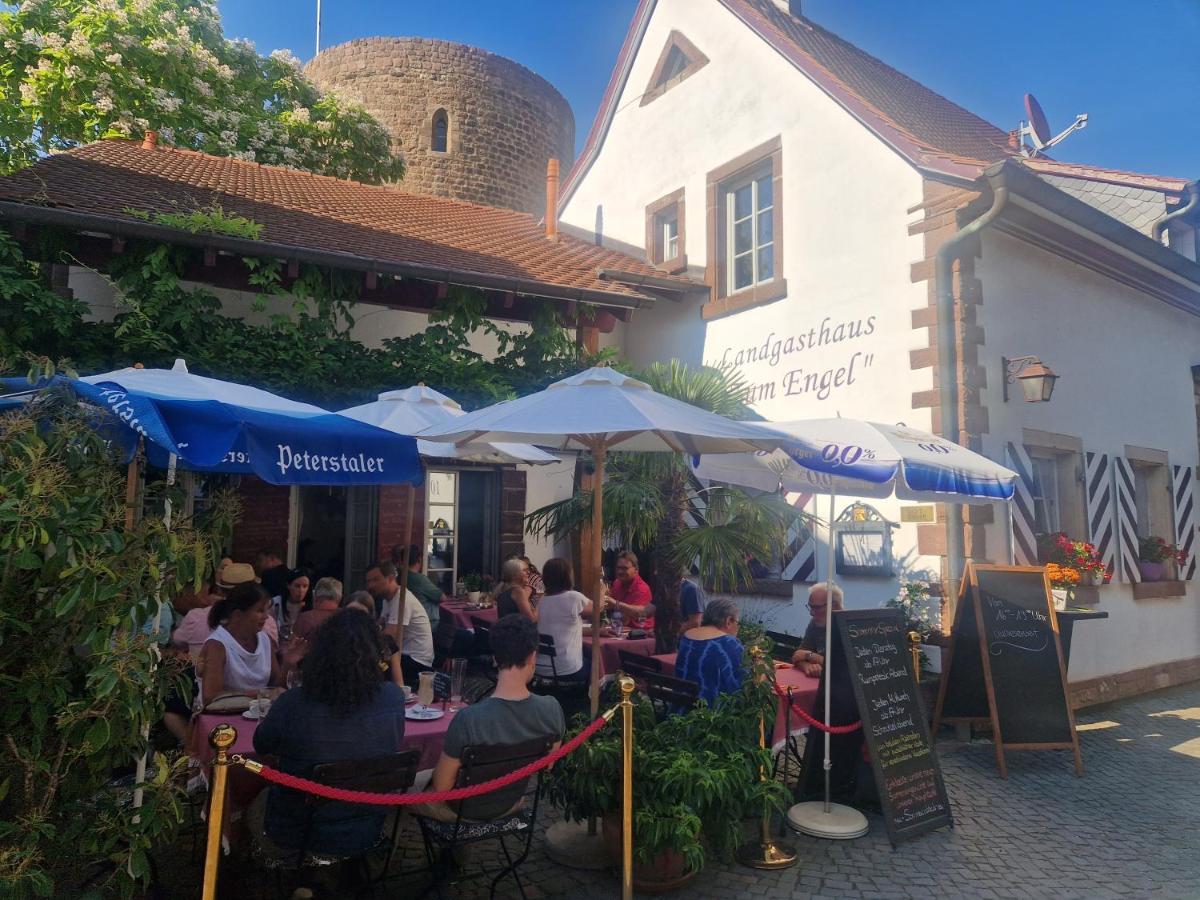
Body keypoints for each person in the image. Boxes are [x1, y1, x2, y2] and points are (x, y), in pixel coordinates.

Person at [250, 609, 407, 858]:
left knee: (252, 800)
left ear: (319, 654)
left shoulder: (294, 704)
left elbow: (261, 744)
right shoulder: (393, 698)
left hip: (299, 831)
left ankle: (230, 867)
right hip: (368, 824)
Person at [412, 615, 564, 822]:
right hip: (510, 802)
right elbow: (547, 764)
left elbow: (442, 787)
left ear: (494, 658)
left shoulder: (468, 720)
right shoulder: (552, 709)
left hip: (461, 811)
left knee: (410, 783)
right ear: (532, 657)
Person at [201, 582, 279, 705]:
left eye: (266, 611)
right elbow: (210, 697)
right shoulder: (217, 645)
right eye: (259, 611)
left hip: (259, 712)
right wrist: (256, 694)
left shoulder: (265, 639)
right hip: (224, 717)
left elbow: (276, 685)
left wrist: (289, 663)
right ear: (238, 615)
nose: (266, 617)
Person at [365, 560, 434, 685]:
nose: (370, 585)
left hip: (416, 661)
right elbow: (379, 626)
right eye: (369, 581)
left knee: (369, 664)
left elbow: (388, 638)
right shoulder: (388, 599)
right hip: (403, 655)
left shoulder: (402, 599)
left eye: (375, 580)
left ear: (391, 578)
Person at [675, 598, 745, 707]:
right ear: (729, 621)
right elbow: (741, 685)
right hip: (710, 716)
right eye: (737, 622)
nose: (738, 627)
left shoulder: (687, 636)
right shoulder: (728, 643)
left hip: (680, 709)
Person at [535, 557, 593, 681]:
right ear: (567, 576)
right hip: (567, 670)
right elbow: (598, 608)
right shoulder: (574, 597)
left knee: (587, 653)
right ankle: (590, 698)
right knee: (597, 662)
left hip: (540, 668)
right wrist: (602, 590)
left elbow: (562, 627)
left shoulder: (542, 600)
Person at [791, 582, 844, 677]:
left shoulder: (849, 627)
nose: (811, 613)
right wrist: (807, 666)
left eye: (817, 607)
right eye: (810, 607)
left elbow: (843, 668)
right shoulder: (815, 623)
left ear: (834, 606)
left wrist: (810, 656)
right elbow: (797, 656)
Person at [392, 544, 443, 631]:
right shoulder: (420, 580)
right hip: (425, 624)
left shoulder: (398, 576)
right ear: (419, 560)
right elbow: (442, 597)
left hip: (406, 622)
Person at [611, 550, 654, 630]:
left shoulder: (642, 588)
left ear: (636, 570)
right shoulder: (616, 583)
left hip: (643, 635)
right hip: (622, 630)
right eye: (618, 568)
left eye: (625, 568)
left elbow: (636, 614)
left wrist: (614, 603)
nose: (620, 571)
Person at [294, 577, 343, 642]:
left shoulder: (305, 619)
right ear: (339, 598)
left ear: (315, 597)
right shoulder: (348, 618)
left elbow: (292, 646)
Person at [269, 568, 311, 639]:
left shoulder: (313, 604)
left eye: (305, 586)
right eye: (297, 586)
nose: (301, 590)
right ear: (288, 585)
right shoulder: (275, 603)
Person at [494, 558, 536, 622]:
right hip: (517, 631)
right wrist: (541, 602)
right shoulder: (517, 591)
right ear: (514, 575)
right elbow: (531, 620)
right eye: (524, 570)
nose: (528, 572)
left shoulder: (502, 589)